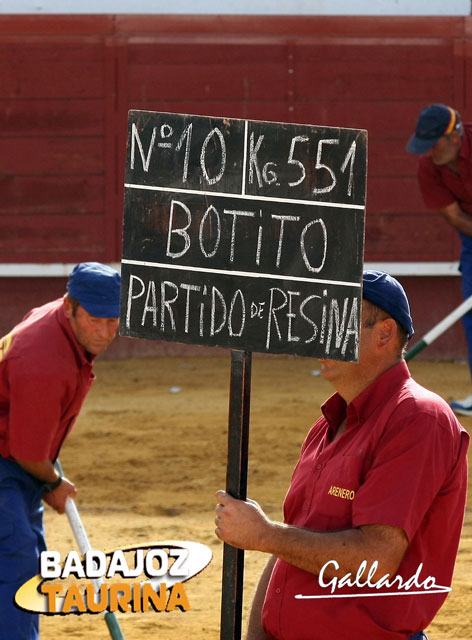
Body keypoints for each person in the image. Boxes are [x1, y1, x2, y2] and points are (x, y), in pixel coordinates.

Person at [215, 270, 469, 640]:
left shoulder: (419, 417)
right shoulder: (327, 425)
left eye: (337, 321)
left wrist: (266, 535)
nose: (320, 335)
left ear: (384, 333)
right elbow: (291, 546)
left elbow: (376, 559)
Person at [0, 262, 121, 640]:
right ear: (70, 307)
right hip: (13, 460)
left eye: (112, 321)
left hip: (17, 459)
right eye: (94, 320)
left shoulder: (54, 318)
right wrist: (53, 481)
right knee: (15, 559)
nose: (103, 332)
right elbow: (26, 452)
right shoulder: (44, 363)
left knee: (24, 558)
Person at [406, 103, 472, 414]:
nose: (429, 152)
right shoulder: (428, 167)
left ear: (454, 137)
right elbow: (454, 215)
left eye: (433, 145)